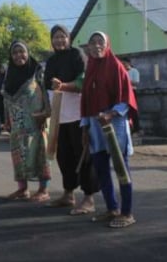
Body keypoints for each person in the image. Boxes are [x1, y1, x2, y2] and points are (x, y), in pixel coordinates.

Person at [80, 31, 138, 228]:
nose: (96, 45)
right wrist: (85, 127)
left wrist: (111, 114)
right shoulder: (90, 68)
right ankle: (111, 208)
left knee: (122, 169)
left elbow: (126, 99)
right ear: (88, 47)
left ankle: (127, 212)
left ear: (107, 45)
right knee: (101, 168)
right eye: (92, 42)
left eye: (100, 42)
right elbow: (86, 101)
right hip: (95, 124)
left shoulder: (116, 66)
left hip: (115, 124)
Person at [44, 25, 99, 214]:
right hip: (59, 116)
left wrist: (64, 85)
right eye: (56, 37)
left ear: (69, 38)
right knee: (64, 157)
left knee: (83, 156)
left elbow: (83, 82)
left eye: (63, 37)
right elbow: (47, 89)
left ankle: (89, 197)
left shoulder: (77, 55)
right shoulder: (51, 61)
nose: (59, 40)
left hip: (78, 115)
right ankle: (68, 194)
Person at [3, 41, 51, 201]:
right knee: (18, 154)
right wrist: (7, 120)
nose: (18, 56)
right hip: (16, 123)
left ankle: (43, 189)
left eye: (21, 52)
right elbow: (5, 99)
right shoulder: (9, 73)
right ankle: (22, 189)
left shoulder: (37, 71)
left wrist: (46, 113)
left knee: (39, 153)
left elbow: (46, 92)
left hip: (36, 121)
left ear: (28, 52)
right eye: (14, 53)